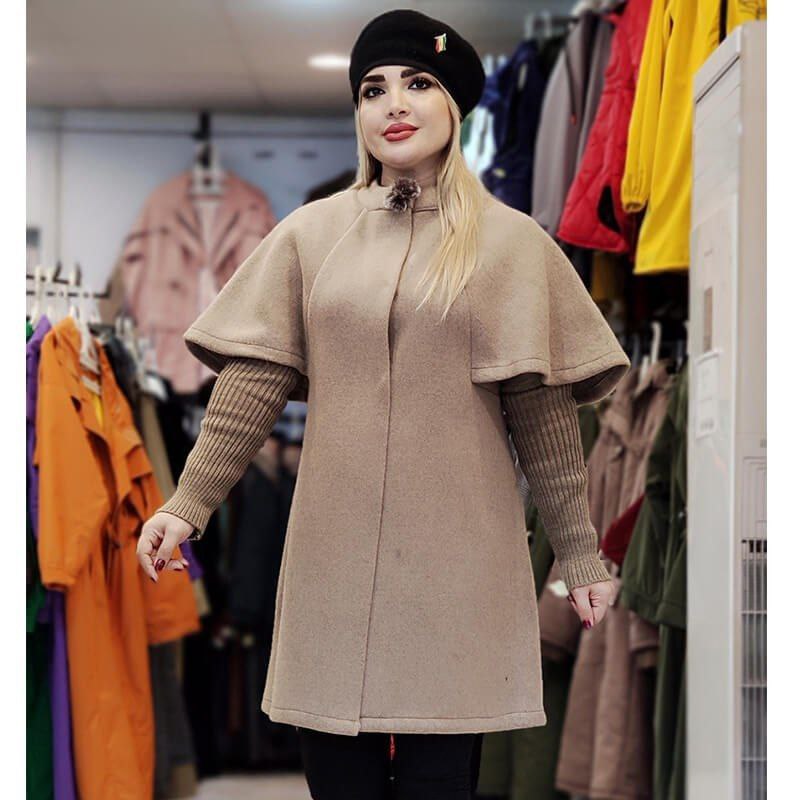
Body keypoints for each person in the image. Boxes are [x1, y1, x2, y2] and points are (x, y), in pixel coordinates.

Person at [136, 8, 630, 799]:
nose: (394, 104)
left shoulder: (511, 244)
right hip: (333, 557)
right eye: (373, 89)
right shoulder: (310, 236)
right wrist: (187, 504)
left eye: (418, 83)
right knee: (338, 781)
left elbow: (543, 415)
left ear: (454, 105)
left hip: (460, 562)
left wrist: (578, 553)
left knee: (441, 782)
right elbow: (250, 388)